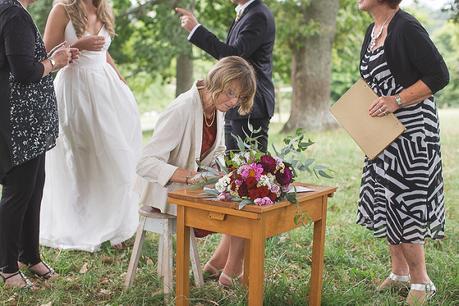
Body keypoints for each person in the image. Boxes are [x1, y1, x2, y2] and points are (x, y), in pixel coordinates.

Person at [356, 0, 449, 305]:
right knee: (385, 198)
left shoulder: (406, 28)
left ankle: (422, 280)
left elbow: (438, 75)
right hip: (381, 131)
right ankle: (399, 273)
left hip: (411, 132)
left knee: (405, 198)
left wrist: (396, 100)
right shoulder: (373, 30)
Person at [136, 56, 256, 287]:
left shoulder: (215, 107)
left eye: (239, 97)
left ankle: (218, 267)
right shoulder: (182, 109)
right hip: (169, 193)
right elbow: (145, 162)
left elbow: (215, 150)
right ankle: (230, 274)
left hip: (195, 188)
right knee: (244, 209)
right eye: (231, 92)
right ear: (217, 81)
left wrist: (230, 170)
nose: (234, 101)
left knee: (246, 195)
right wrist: (192, 176)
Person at [38, 0, 142, 252]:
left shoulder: (103, 8)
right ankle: (83, 225)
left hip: (104, 88)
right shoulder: (62, 9)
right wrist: (78, 45)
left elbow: (103, 52)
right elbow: (44, 54)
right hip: (75, 89)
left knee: (115, 154)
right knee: (80, 157)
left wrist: (120, 79)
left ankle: (113, 224)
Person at [0, 0, 74, 288]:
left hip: (31, 124)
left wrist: (53, 55)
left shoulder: (17, 12)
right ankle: (7, 267)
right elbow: (24, 72)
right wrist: (56, 63)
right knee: (18, 194)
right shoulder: (14, 13)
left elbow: (24, 60)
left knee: (33, 189)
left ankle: (29, 255)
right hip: (20, 124)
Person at [176, 0, 275, 153]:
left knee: (250, 169)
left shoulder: (258, 15)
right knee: (233, 167)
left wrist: (196, 30)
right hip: (237, 105)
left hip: (250, 105)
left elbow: (233, 55)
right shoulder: (247, 13)